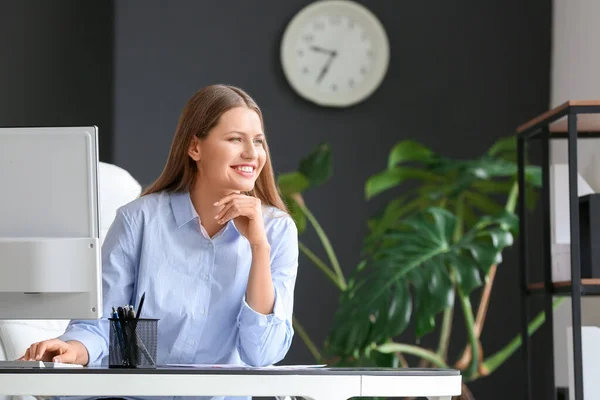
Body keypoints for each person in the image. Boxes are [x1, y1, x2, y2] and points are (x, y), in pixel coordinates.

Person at [20, 85, 299, 397]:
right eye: (236, 139)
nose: (252, 153)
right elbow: (100, 325)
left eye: (258, 141)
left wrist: (259, 247)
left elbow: (262, 353)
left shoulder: (276, 230)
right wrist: (72, 349)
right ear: (195, 148)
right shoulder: (139, 220)